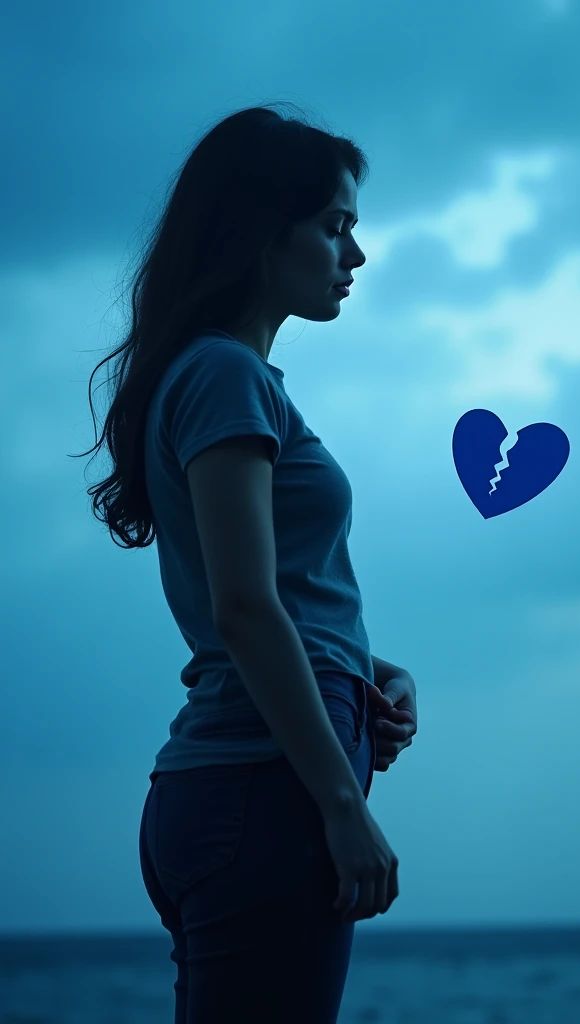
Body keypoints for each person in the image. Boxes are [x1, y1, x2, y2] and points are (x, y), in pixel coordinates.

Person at [69, 101, 400, 1023]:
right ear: (264, 229)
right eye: (336, 228)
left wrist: (366, 669)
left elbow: (263, 600)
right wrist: (343, 805)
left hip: (241, 787)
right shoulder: (224, 376)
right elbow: (244, 608)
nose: (354, 256)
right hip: (266, 787)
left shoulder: (214, 375)